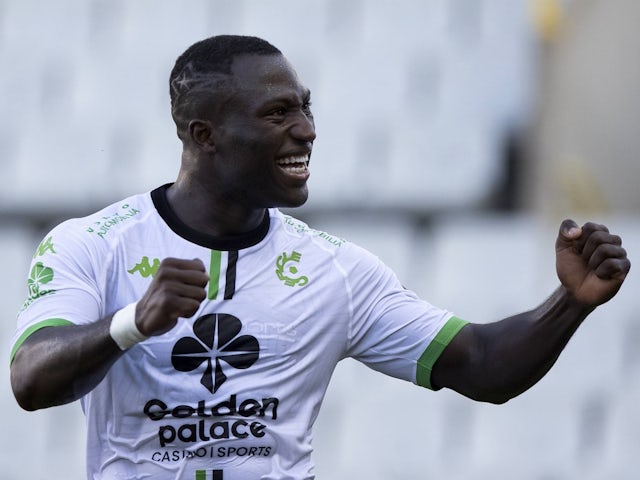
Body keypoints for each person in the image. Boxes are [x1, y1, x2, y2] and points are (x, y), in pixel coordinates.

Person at [9, 35, 630, 480]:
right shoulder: (92, 245)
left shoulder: (335, 271)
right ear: (205, 135)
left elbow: (484, 366)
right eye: (278, 113)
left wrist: (569, 304)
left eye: (306, 107)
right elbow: (31, 380)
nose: (306, 129)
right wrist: (132, 324)